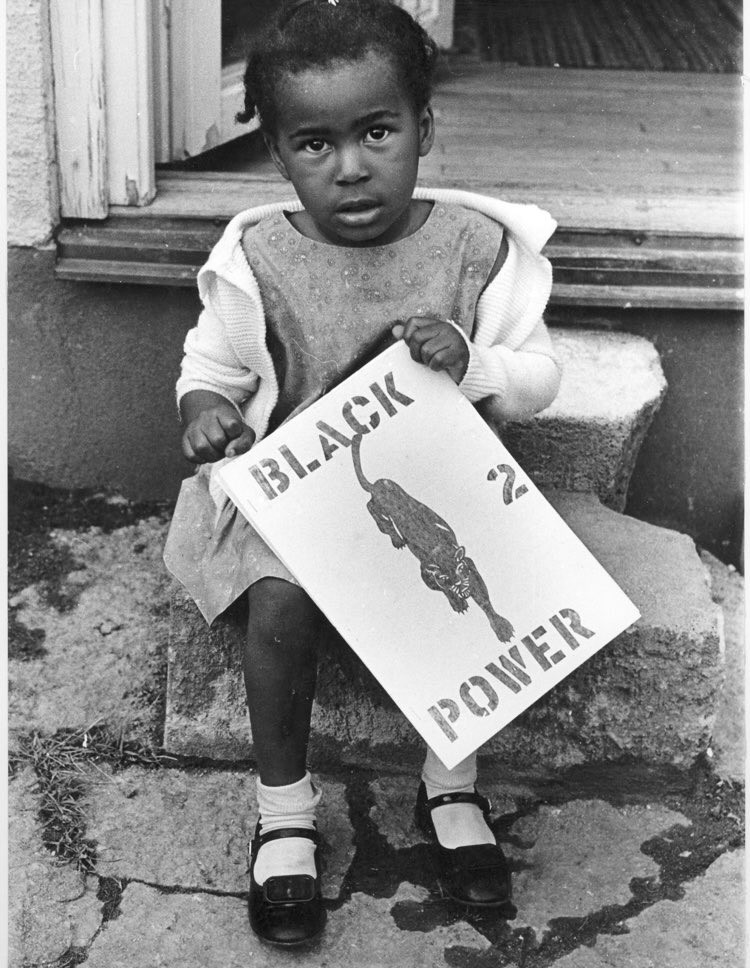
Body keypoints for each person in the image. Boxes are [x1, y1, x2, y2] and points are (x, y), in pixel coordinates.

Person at [164, 0, 561, 947]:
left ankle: (451, 786)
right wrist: (203, 413)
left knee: (468, 583)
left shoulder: (474, 249)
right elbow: (206, 370)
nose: (349, 167)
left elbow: (542, 377)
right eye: (314, 143)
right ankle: (286, 811)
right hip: (301, 496)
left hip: (437, 485)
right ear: (278, 154)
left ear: (425, 127)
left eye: (377, 132)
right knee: (280, 601)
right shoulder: (261, 258)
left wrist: (473, 361)